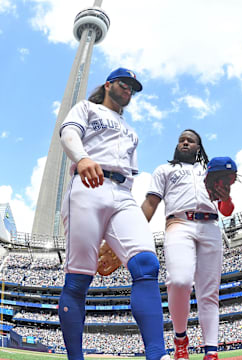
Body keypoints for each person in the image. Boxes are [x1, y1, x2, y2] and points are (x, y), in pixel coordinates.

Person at [58, 67, 169, 360]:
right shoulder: (87, 107)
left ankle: (157, 355)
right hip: (87, 184)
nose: (128, 90)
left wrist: (115, 236)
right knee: (79, 279)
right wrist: (81, 157)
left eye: (133, 87)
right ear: (108, 85)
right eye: (124, 84)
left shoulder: (131, 132)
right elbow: (68, 132)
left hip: (122, 193)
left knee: (146, 263)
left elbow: (130, 176)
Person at [141, 129, 235, 360]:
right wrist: (134, 231)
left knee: (209, 292)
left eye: (190, 140)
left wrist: (226, 198)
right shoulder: (165, 170)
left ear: (199, 147)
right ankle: (180, 338)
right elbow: (151, 203)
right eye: (181, 140)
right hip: (178, 224)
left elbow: (227, 211)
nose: (184, 142)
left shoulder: (210, 172)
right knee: (179, 281)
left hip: (210, 226)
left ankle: (211, 352)